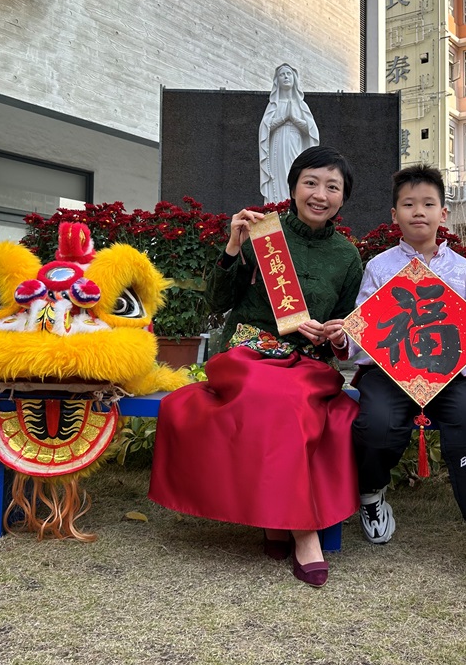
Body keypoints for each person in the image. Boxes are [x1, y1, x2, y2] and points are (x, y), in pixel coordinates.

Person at [149, 146, 363, 588]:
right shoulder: (264, 234)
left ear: (343, 198)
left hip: (307, 362)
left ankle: (276, 520)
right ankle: (304, 532)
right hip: (250, 353)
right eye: (311, 182)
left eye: (332, 187)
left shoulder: (347, 256)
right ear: (293, 186)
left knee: (294, 400)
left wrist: (333, 333)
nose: (320, 194)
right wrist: (233, 246)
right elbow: (218, 301)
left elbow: (346, 327)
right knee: (277, 398)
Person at [350, 164, 466, 586]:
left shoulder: (464, 270)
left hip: (451, 374)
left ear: (443, 213)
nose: (419, 212)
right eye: (408, 204)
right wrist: (345, 336)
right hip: (389, 372)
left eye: (428, 204)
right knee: (376, 424)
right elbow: (363, 331)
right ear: (394, 214)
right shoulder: (378, 267)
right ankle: (372, 494)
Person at [259, 64, 320, 203]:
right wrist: (283, 118)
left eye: (288, 74)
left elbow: (311, 130)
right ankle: (279, 204)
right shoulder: (274, 105)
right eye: (282, 75)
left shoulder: (301, 105)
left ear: (294, 78)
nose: (286, 77)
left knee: (295, 172)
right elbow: (265, 128)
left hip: (296, 142)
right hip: (278, 143)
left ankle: (295, 204)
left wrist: (294, 119)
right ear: (277, 81)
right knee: (280, 174)